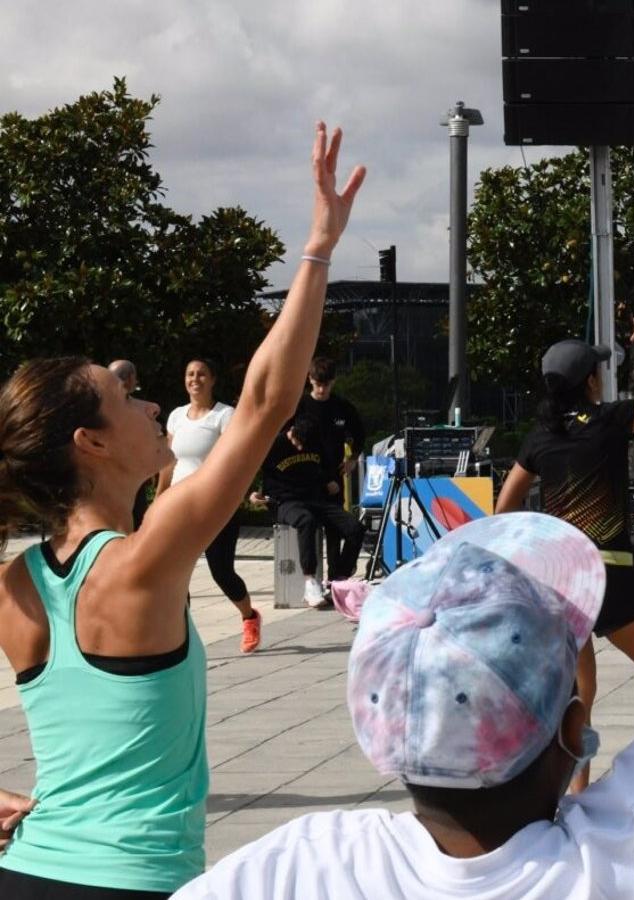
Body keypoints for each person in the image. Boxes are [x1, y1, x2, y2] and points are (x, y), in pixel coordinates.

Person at [173, 188, 634, 899]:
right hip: (613, 570)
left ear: (385, 732)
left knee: (585, 681)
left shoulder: (296, 866)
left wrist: (484, 558)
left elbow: (507, 502)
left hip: (556, 568)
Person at [0, 122, 364, 897]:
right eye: (124, 398)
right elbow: (266, 402)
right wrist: (318, 250)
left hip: (26, 871)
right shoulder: (144, 558)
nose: (150, 403)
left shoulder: (15, 586)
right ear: (89, 444)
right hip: (131, 882)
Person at [494, 317, 634, 790]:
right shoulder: (612, 419)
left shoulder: (539, 438)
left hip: (559, 582)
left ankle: (575, 793)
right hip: (610, 576)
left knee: (579, 692)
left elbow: (504, 509)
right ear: (591, 380)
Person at [155, 358, 262, 653]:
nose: (195, 379)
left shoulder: (224, 416)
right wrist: (159, 497)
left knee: (221, 571)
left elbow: (235, 459)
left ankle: (249, 617)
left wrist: (238, 493)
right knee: (177, 571)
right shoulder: (176, 416)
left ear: (212, 380)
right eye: (190, 374)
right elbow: (168, 461)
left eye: (201, 374)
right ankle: (181, 633)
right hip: (180, 506)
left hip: (216, 506)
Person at [251, 415, 365, 608]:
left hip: (315, 498)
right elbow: (249, 469)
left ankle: (338, 579)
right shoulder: (273, 445)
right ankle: (310, 582)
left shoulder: (314, 440)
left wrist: (329, 481)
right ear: (291, 433)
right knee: (306, 520)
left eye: (305, 444)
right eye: (297, 443)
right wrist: (253, 493)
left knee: (355, 528)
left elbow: (322, 466)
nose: (301, 448)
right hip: (285, 501)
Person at [297, 356, 366, 497]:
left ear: (333, 381)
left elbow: (360, 434)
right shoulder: (299, 406)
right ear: (310, 379)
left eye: (326, 385)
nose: (321, 390)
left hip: (334, 476)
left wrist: (353, 459)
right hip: (303, 477)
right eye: (318, 384)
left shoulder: (342, 407)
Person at [110, 360, 155, 528]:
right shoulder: (139, 409)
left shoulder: (95, 405)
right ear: (130, 379)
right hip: (128, 479)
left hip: (110, 479)